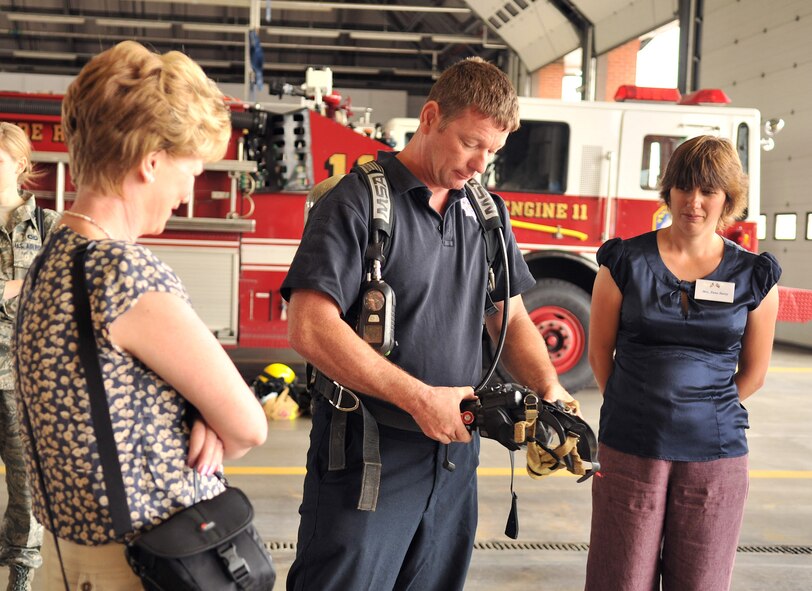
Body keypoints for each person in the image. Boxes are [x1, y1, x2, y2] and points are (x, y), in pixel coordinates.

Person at [282, 56, 574, 591]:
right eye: (470, 143)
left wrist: (549, 387)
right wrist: (419, 399)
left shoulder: (486, 213)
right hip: (367, 461)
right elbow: (308, 325)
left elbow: (507, 315)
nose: (479, 164)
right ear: (432, 116)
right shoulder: (355, 204)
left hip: (455, 460)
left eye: (493, 151)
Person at [13, 41, 268, 590]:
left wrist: (205, 419)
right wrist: (219, 430)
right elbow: (249, 424)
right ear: (151, 162)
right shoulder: (122, 273)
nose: (186, 192)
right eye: (190, 170)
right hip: (149, 564)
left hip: (68, 558)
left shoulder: (49, 261)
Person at [585, 135, 781, 591]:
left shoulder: (754, 276)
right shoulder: (624, 262)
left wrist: (701, 407)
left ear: (728, 199)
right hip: (631, 444)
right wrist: (639, 404)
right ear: (668, 190)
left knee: (702, 580)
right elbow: (600, 353)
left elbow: (754, 372)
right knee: (620, 577)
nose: (694, 202)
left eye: (708, 191)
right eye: (684, 188)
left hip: (715, 451)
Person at [0, 122, 59, 591]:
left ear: (19, 165)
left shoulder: (50, 227)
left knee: (26, 488)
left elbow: (65, 290)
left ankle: (21, 575)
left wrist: (18, 286)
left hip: (26, 381)